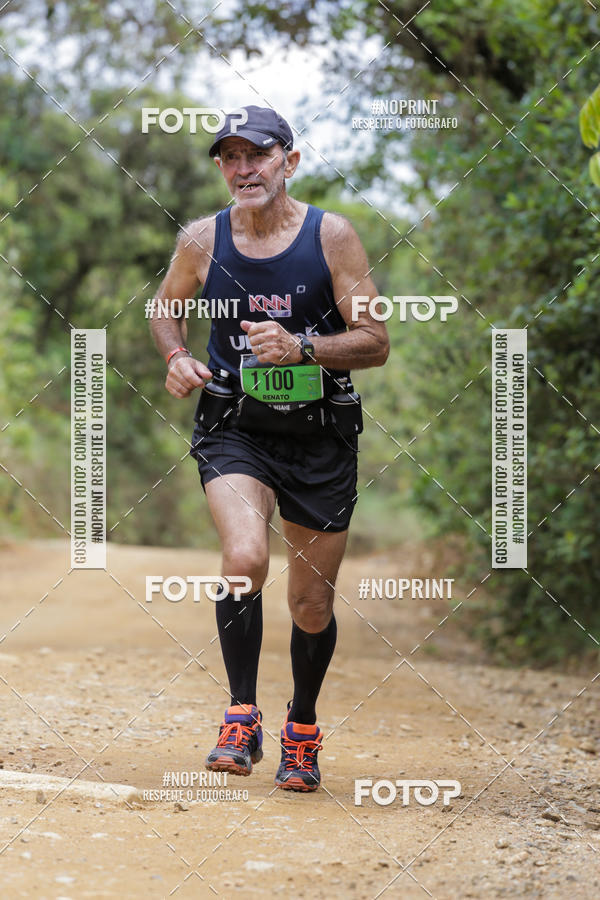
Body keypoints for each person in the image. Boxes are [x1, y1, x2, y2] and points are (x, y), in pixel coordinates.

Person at [150, 105, 389, 792]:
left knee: (311, 604)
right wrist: (175, 355)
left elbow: (375, 342)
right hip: (236, 426)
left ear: (290, 160)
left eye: (256, 154)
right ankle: (241, 713)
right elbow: (165, 305)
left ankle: (302, 729)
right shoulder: (203, 238)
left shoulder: (332, 237)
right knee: (245, 558)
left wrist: (303, 346)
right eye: (229, 157)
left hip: (320, 436)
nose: (242, 169)